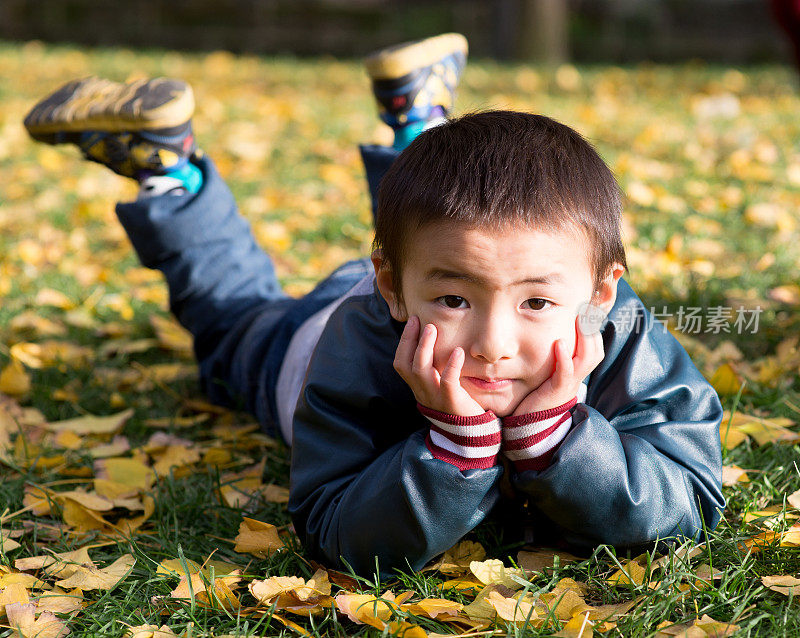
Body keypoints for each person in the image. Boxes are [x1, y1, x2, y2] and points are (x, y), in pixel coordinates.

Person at [24, 33, 725, 578]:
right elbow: (335, 532)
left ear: (600, 291)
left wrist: (561, 441)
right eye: (458, 299)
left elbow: (690, 496)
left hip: (414, 270)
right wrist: (454, 451)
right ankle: (168, 169)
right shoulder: (358, 345)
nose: (493, 342)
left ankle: (419, 117)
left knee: (444, 228)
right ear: (387, 285)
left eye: (538, 302)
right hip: (296, 343)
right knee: (236, 319)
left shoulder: (623, 330)